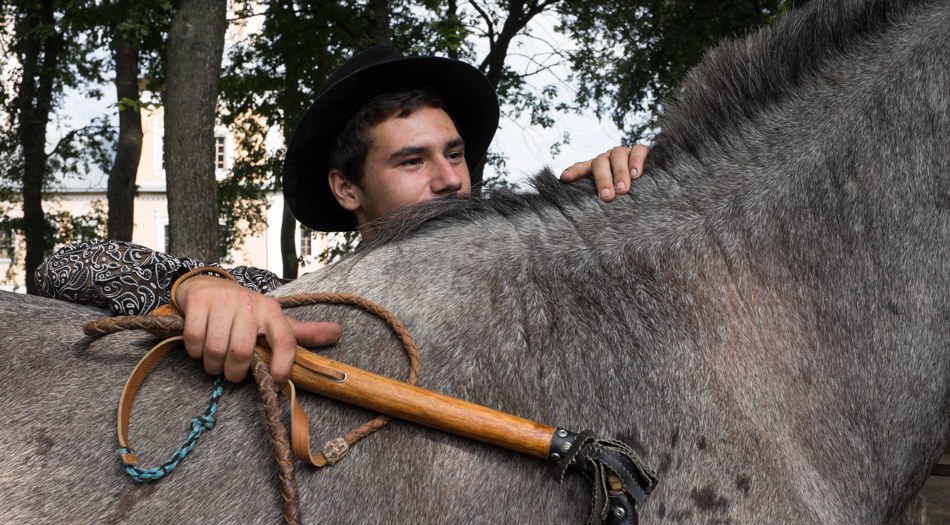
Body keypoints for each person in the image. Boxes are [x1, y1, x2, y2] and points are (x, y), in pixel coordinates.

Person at [36, 45, 649, 386]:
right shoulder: (293, 309)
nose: (450, 179)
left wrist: (630, 199)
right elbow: (65, 267)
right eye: (412, 160)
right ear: (346, 188)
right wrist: (197, 287)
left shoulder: (527, 285)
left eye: (455, 153)